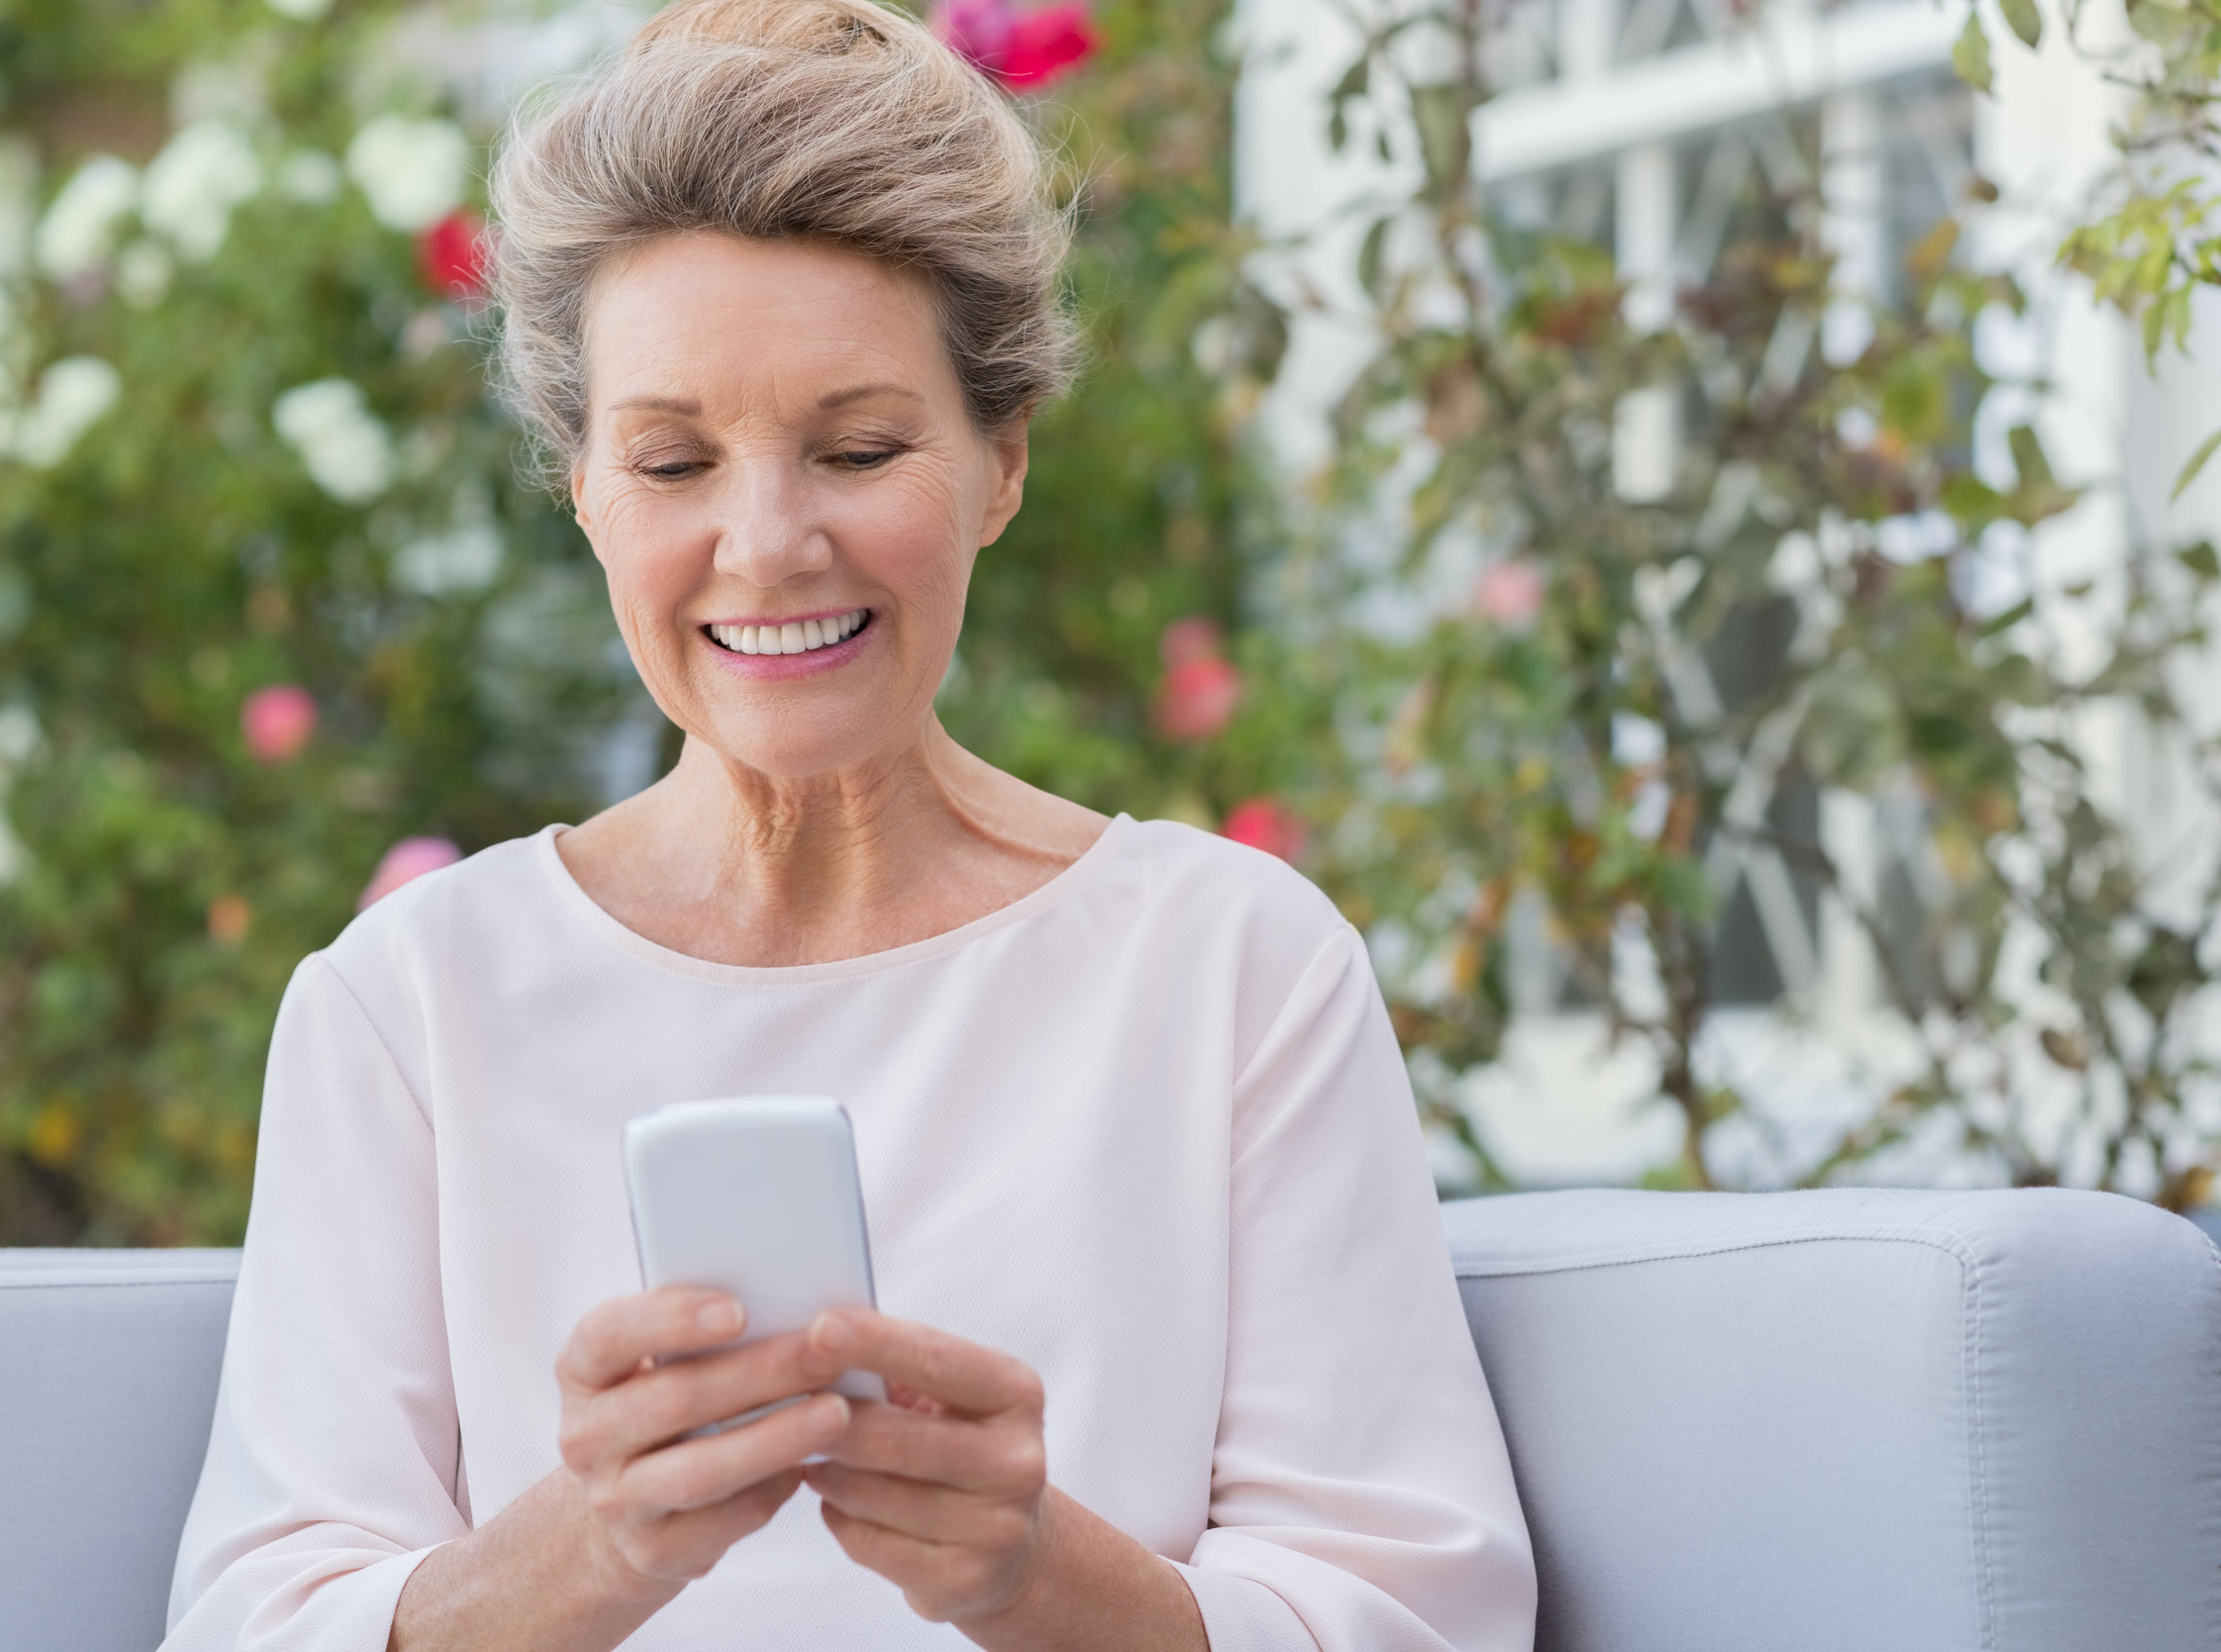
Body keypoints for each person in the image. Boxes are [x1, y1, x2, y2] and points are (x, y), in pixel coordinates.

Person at [160, 2, 1536, 1648]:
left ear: (1000, 460)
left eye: (860, 447)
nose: (767, 542)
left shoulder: (1231, 966)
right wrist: (585, 1549)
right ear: (580, 486)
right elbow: (256, 1620)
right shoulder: (408, 1006)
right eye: (671, 461)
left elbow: (1413, 1613)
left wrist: (1039, 1578)